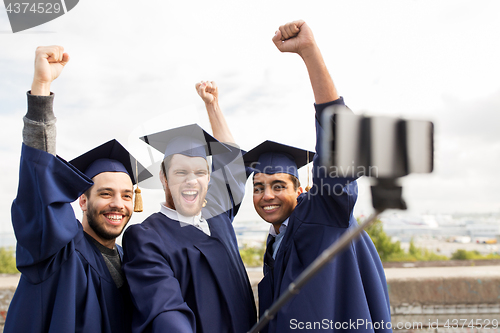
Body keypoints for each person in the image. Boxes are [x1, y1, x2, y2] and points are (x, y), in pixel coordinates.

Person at [243, 21, 392, 332]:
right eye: (258, 187)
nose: (266, 195)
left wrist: (309, 53)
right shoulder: (276, 239)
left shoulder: (322, 214)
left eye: (278, 185)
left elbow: (336, 154)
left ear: (301, 189)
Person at [5, 45, 151, 333]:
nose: (118, 204)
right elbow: (40, 191)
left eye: (125, 194)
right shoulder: (57, 249)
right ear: (82, 201)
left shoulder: (129, 259)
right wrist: (42, 88)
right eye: (105, 193)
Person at [122, 81, 256, 333]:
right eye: (180, 172)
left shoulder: (217, 214)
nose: (191, 180)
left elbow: (233, 165)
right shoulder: (146, 237)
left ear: (208, 178)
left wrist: (213, 106)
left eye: (200, 172)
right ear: (164, 178)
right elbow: (164, 307)